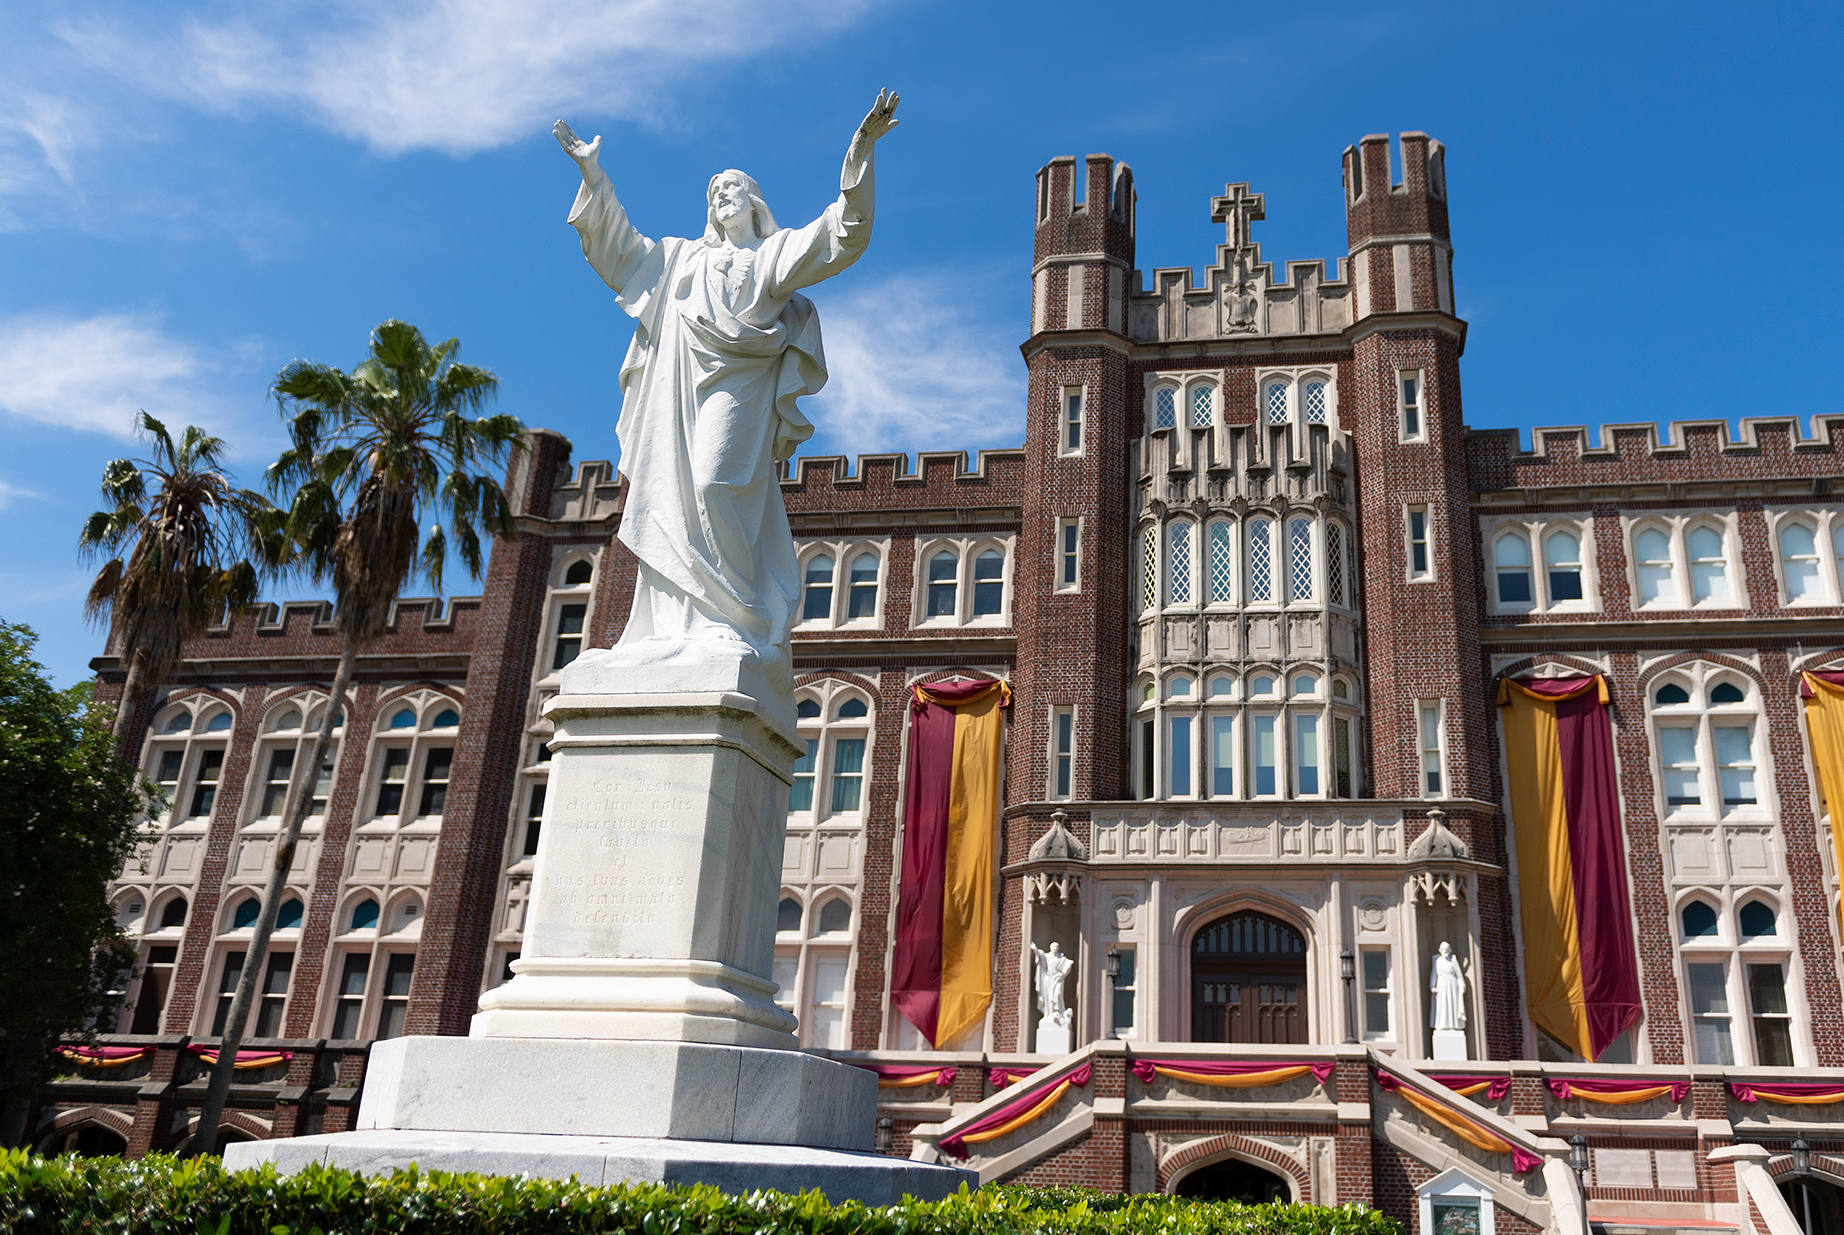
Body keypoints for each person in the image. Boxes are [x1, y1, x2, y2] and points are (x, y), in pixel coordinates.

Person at [552, 91, 900, 694]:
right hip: (675, 394)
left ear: (753, 200)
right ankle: (673, 631)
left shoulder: (770, 258)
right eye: (714, 191)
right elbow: (617, 252)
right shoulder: (679, 260)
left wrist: (860, 155)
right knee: (669, 498)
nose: (722, 195)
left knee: (716, 485)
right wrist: (593, 176)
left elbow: (841, 235)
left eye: (733, 187)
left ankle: (732, 616)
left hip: (735, 388)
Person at [1031, 941, 1074, 1024]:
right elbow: (1040, 954)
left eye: (1056, 947)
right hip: (1048, 978)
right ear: (1050, 948)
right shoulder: (1047, 956)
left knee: (1057, 993)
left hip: (1057, 978)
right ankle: (1049, 1013)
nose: (1054, 948)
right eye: (1053, 947)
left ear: (1058, 948)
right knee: (1047, 996)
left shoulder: (1061, 958)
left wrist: (1062, 974)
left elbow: (1068, 965)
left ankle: (1060, 1011)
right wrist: (1035, 949)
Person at [1430, 940, 1467, 1031]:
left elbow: (1459, 975)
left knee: (1452, 1004)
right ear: (1440, 950)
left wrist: (1462, 985)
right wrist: (1432, 986)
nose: (1445, 951)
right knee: (1442, 1004)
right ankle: (1442, 1024)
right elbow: (1433, 974)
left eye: (1447, 949)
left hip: (1452, 984)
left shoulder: (1453, 960)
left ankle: (1453, 1025)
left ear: (1450, 950)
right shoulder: (1437, 960)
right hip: (1442, 983)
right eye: (1443, 950)